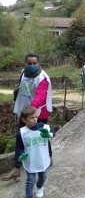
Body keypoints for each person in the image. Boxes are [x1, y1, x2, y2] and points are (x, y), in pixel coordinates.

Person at [1, 52, 52, 182]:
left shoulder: (42, 78)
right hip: (24, 113)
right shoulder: (23, 73)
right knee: (21, 137)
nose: (32, 66)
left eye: (35, 63)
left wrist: (31, 111)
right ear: (25, 63)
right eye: (29, 63)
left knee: (43, 136)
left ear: (39, 63)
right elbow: (22, 90)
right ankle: (16, 168)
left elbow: (40, 97)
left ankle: (48, 157)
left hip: (38, 113)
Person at [16, 106, 56, 198]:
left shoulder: (43, 126)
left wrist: (49, 134)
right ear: (24, 120)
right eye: (31, 118)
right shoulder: (21, 133)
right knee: (30, 180)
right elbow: (18, 147)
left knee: (43, 177)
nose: (35, 119)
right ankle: (28, 195)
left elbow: (54, 133)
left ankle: (39, 186)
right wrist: (21, 153)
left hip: (42, 159)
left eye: (36, 117)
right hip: (30, 160)